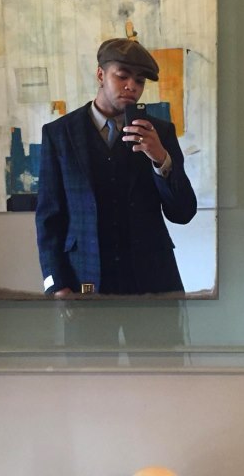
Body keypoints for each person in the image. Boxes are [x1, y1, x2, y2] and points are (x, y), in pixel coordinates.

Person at [35, 38, 197, 297]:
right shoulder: (59, 134)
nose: (131, 86)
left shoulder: (160, 133)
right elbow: (48, 218)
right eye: (122, 76)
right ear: (101, 75)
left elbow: (183, 212)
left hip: (152, 277)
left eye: (140, 81)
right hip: (84, 278)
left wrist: (161, 158)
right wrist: (54, 284)